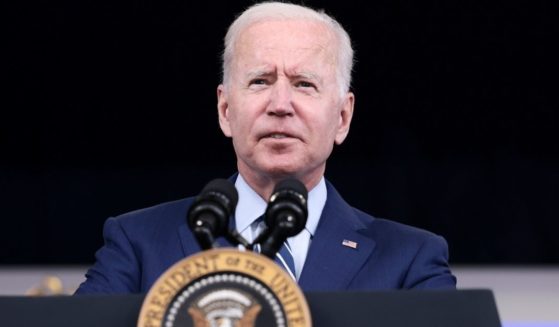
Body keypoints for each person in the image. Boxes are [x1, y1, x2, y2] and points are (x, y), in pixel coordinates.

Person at [76, 2, 456, 294]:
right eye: (260, 81)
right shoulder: (139, 244)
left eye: (304, 84)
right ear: (226, 110)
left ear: (342, 117)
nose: (280, 104)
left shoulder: (410, 261)